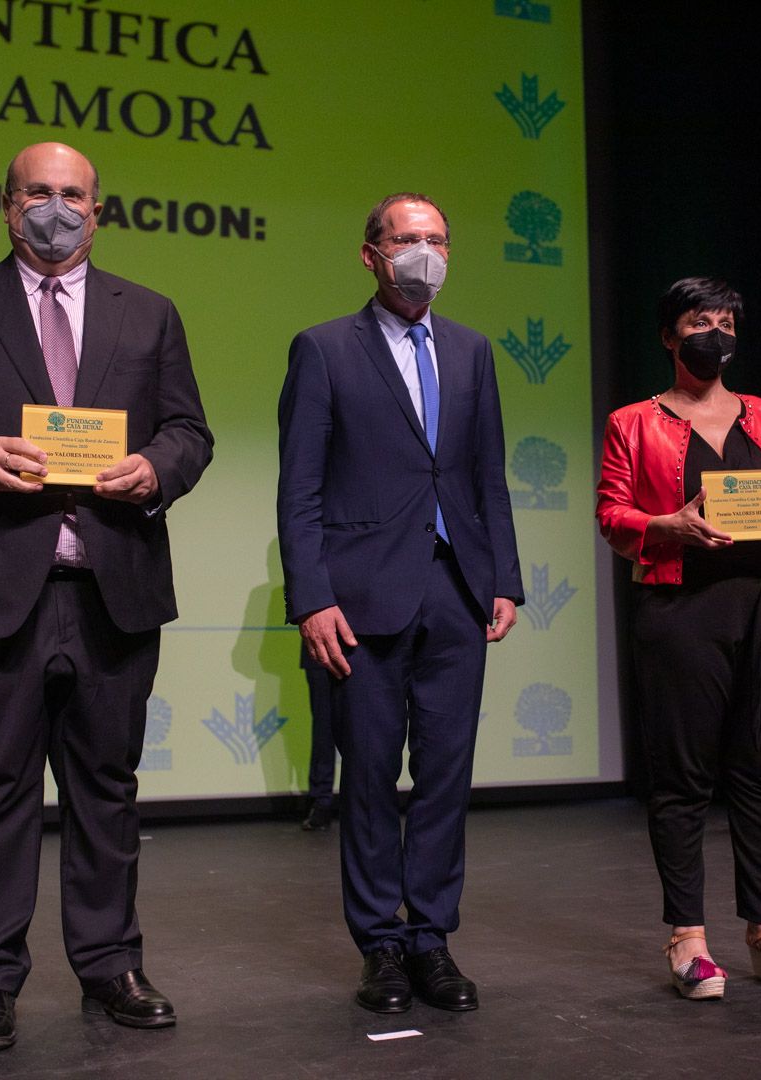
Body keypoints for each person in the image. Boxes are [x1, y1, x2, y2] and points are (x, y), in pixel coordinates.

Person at [0, 141, 212, 1054]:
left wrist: (159, 468)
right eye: (37, 193)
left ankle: (111, 966)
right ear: (6, 204)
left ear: (99, 212)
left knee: (108, 788)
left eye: (73, 195)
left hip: (113, 587)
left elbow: (190, 429)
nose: (55, 209)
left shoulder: (151, 314)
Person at [277, 193, 523, 1014]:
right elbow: (300, 490)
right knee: (373, 780)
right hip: (361, 598)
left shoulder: (473, 350)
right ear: (370, 254)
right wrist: (311, 597)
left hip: (457, 591)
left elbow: (488, 475)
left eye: (438, 240)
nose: (425, 252)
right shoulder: (323, 350)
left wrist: (503, 579)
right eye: (408, 239)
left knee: (447, 778)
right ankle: (380, 944)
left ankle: (433, 940)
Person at [595, 277, 761, 999]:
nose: (714, 333)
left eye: (725, 322)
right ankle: (687, 939)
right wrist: (668, 527)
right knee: (684, 777)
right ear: (669, 336)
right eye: (700, 321)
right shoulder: (634, 421)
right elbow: (612, 517)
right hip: (682, 610)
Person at [300, 642, 336, 831]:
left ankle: (367, 799)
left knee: (366, 728)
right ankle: (321, 801)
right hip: (320, 646)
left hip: (366, 646)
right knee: (324, 727)